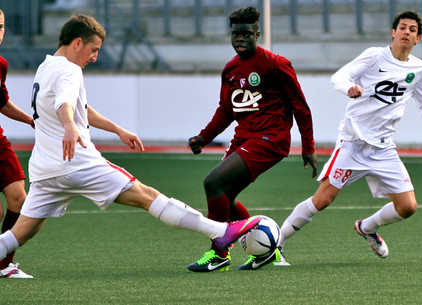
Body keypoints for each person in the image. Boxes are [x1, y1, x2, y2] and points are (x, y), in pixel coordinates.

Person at [0, 15, 263, 277]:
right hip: (77, 163)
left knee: (19, 234)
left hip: (46, 169)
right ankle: (220, 232)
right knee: (147, 196)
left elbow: (78, 107)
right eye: (94, 50)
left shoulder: (46, 67)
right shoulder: (70, 70)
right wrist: (69, 126)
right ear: (78, 43)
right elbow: (64, 105)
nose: (94, 57)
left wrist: (117, 130)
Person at [278, 10, 422, 260]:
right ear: (393, 32)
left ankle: (367, 227)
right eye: (402, 27)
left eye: (412, 30)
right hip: (353, 143)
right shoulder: (375, 56)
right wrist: (349, 87)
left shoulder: (419, 69)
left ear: (418, 38)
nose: (406, 32)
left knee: (408, 207)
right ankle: (276, 242)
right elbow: (339, 77)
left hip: (384, 148)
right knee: (323, 200)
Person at [186, 6, 317, 272]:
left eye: (246, 34)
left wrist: (308, 146)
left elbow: (300, 106)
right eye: (236, 35)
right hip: (244, 139)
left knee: (213, 182)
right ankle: (267, 250)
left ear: (257, 35)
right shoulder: (231, 69)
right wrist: (204, 137)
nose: (240, 39)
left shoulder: (276, 64)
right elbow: (226, 109)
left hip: (271, 139)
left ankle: (219, 253)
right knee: (225, 196)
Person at [0, 9, 35, 279]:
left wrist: (29, 120)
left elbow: (1, 101)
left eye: (0, 26)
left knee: (19, 199)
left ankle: (3, 264)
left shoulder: (1, 64)